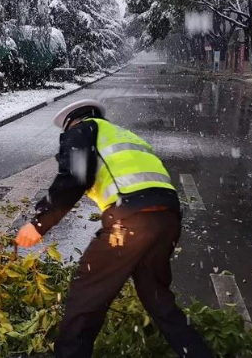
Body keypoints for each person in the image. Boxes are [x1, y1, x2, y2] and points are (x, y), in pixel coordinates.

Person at [15, 99, 214, 358]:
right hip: (167, 219)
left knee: (87, 294)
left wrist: (39, 223)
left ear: (72, 123)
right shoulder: (124, 135)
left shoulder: (82, 130)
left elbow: (76, 177)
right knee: (158, 300)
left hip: (129, 223)